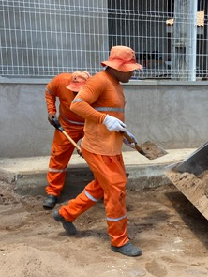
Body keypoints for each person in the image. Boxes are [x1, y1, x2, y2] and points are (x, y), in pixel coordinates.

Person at [52, 46, 143, 257]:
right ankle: (119, 241)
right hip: (98, 148)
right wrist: (105, 119)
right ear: (117, 67)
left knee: (102, 186)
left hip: (111, 146)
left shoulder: (116, 84)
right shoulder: (99, 81)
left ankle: (66, 214)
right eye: (129, 69)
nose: (132, 72)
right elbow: (77, 105)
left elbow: (111, 115)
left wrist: (126, 136)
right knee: (116, 189)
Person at [43, 70, 91, 209]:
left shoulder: (96, 89)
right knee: (58, 156)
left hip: (89, 125)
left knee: (96, 156)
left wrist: (88, 143)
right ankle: (53, 193)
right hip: (67, 126)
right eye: (74, 91)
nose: (76, 94)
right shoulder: (60, 81)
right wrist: (51, 112)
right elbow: (49, 91)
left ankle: (103, 189)